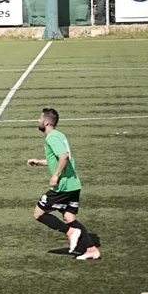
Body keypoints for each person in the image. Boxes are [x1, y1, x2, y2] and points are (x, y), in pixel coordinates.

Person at [27, 108, 101, 260]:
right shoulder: (60, 135)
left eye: (40, 119)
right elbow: (59, 159)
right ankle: (91, 249)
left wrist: (55, 176)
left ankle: (71, 232)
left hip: (63, 185)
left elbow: (64, 156)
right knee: (70, 218)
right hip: (74, 184)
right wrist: (40, 162)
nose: (38, 121)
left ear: (46, 122)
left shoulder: (51, 138)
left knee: (39, 213)